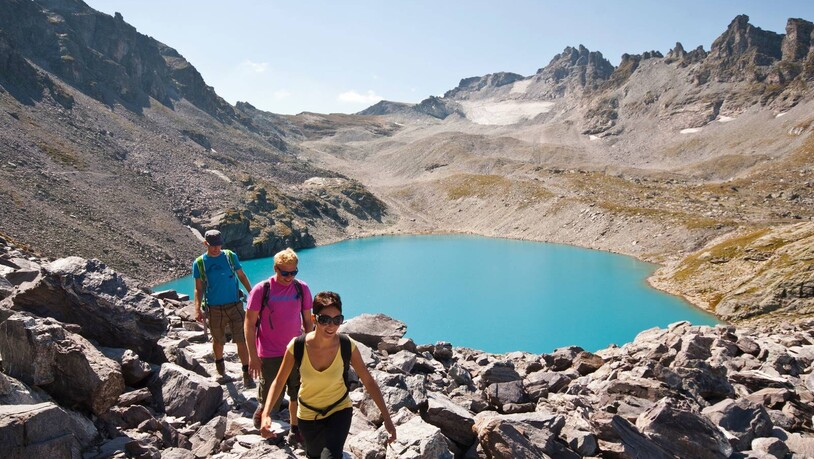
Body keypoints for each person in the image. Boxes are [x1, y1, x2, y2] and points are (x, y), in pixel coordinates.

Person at [260, 291, 397, 458]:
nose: (331, 326)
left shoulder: (347, 345)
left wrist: (387, 419)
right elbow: (279, 381)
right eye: (325, 320)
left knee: (330, 456)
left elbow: (368, 381)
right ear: (313, 319)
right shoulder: (297, 346)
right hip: (308, 415)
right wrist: (266, 414)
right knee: (315, 456)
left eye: (337, 320)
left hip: (339, 410)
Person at [245, 248, 314, 439]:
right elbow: (249, 324)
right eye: (285, 273)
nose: (289, 277)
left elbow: (308, 321)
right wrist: (253, 356)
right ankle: (263, 413)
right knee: (271, 396)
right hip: (269, 353)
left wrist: (312, 347)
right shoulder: (262, 289)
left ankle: (295, 429)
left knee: (297, 392)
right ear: (276, 268)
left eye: (294, 272)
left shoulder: (302, 288)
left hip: (296, 350)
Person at [193, 229, 255, 387]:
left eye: (218, 245)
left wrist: (253, 294)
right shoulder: (200, 263)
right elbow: (198, 288)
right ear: (205, 243)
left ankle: (246, 373)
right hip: (214, 308)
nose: (216, 248)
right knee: (218, 340)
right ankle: (220, 369)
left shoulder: (229, 256)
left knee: (241, 339)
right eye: (212, 245)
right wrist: (197, 309)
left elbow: (241, 275)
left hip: (235, 305)